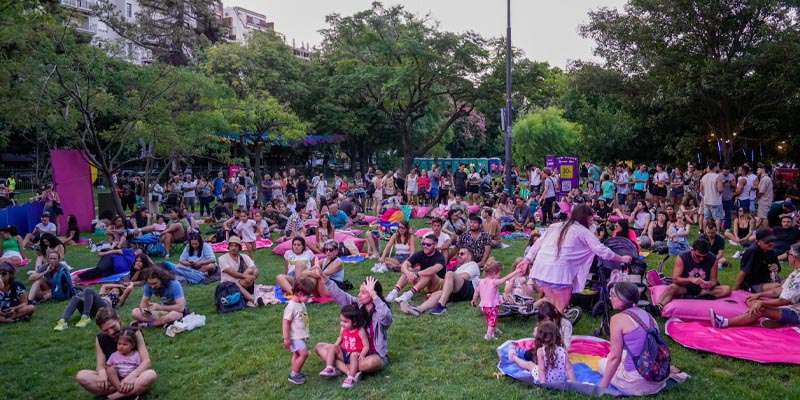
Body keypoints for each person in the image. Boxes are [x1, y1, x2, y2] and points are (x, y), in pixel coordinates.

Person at [519, 204, 633, 312]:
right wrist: (623, 259)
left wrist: (527, 259)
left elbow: (538, 243)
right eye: (590, 218)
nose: (592, 221)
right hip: (559, 272)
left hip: (542, 268)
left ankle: (547, 327)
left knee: (552, 302)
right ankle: (554, 329)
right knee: (560, 306)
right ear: (586, 217)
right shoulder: (582, 231)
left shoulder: (556, 226)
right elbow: (602, 251)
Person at [314, 271, 393, 376]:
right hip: (350, 352)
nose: (359, 295)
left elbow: (386, 317)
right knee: (319, 347)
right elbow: (340, 295)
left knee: (371, 363)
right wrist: (323, 276)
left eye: (364, 292)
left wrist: (373, 294)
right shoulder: (358, 306)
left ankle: (341, 367)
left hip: (372, 355)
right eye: (360, 291)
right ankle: (350, 370)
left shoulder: (380, 312)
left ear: (374, 294)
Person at [598, 282, 668, 395]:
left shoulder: (617, 319)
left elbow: (615, 358)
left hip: (634, 383)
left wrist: (601, 388)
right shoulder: (649, 316)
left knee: (602, 362)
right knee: (623, 355)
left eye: (613, 295)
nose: (610, 297)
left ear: (624, 298)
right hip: (658, 380)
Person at [711, 243, 800, 329]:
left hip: (795, 313)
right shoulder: (795, 272)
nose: (787, 255)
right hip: (789, 307)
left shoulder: (798, 278)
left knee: (760, 309)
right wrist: (759, 295)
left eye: (789, 253)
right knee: (752, 300)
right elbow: (779, 290)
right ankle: (779, 320)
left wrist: (761, 303)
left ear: (793, 258)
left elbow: (784, 301)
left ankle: (724, 322)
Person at [75, 308, 157, 398]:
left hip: (133, 375)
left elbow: (146, 361)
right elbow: (100, 365)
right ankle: (129, 392)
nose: (111, 332)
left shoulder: (134, 332)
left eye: (112, 327)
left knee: (150, 375)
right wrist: (102, 373)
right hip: (113, 377)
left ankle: (112, 397)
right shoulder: (100, 338)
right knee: (82, 376)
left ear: (118, 319)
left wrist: (131, 377)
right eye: (106, 330)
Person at [654, 239, 732, 311]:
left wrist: (709, 285)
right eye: (698, 256)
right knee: (671, 288)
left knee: (727, 289)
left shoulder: (712, 258)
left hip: (703, 290)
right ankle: (658, 306)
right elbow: (675, 279)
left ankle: (696, 297)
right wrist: (691, 280)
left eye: (703, 257)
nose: (701, 259)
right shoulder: (682, 257)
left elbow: (714, 280)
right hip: (685, 287)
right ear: (692, 250)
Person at [399, 247, 480, 316]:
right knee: (439, 294)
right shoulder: (458, 268)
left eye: (462, 254)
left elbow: (465, 277)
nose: (459, 256)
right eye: (458, 254)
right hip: (458, 292)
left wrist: (449, 279)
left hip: (469, 289)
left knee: (449, 274)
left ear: (469, 256)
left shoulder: (473, 264)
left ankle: (441, 305)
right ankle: (419, 309)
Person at [508, 321, 576, 384]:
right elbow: (569, 368)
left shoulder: (540, 351)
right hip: (561, 379)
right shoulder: (563, 350)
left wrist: (543, 383)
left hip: (547, 379)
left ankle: (513, 356)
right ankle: (513, 356)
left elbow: (541, 369)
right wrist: (574, 382)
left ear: (540, 337)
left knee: (529, 364)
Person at [384, 234, 446, 304]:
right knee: (408, 269)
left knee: (429, 273)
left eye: (428, 245)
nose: (425, 246)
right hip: (424, 283)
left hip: (438, 285)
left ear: (435, 245)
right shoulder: (420, 253)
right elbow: (405, 264)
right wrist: (408, 273)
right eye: (423, 244)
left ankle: (409, 295)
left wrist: (416, 274)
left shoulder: (439, 257)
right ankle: (394, 292)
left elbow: (434, 269)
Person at [320, 304, 370, 388]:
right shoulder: (343, 329)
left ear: (354, 322)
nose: (342, 323)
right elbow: (340, 338)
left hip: (355, 353)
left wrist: (362, 354)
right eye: (341, 320)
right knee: (332, 347)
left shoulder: (360, 330)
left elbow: (366, 345)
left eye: (345, 321)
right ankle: (329, 368)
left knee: (353, 354)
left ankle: (351, 377)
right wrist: (334, 348)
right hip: (344, 352)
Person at [471, 258, 520, 340]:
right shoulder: (494, 282)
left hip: (484, 306)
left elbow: (476, 291)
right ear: (493, 273)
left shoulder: (481, 281)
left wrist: (474, 300)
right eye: (498, 273)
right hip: (491, 306)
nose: (499, 276)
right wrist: (516, 272)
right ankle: (488, 335)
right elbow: (506, 278)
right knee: (492, 320)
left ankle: (494, 329)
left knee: (491, 318)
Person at [54, 282, 134, 331]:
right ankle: (63, 321)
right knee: (76, 298)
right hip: (91, 307)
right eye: (112, 289)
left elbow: (129, 289)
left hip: (104, 307)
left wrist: (125, 286)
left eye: (116, 291)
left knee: (89, 289)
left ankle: (85, 317)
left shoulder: (118, 300)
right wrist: (118, 285)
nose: (113, 290)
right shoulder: (102, 294)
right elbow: (104, 286)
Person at [283, 277, 315, 385]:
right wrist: (286, 338)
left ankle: (296, 372)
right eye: (308, 295)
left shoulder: (300, 303)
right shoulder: (291, 306)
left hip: (300, 335)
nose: (310, 298)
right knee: (304, 353)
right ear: (300, 293)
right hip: (294, 337)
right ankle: (293, 374)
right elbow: (285, 323)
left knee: (296, 354)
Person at [217, 236, 259, 307]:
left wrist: (253, 276)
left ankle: (250, 298)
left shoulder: (244, 257)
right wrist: (247, 277)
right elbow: (231, 272)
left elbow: (255, 269)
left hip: (243, 282)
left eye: (236, 246)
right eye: (231, 246)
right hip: (228, 285)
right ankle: (252, 299)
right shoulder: (222, 258)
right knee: (237, 284)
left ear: (239, 247)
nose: (233, 248)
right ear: (229, 247)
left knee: (250, 270)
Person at [699, 161, 724, 230]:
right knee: (717, 218)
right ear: (715, 167)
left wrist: (705, 194)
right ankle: (718, 232)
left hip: (706, 200)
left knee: (706, 217)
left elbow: (701, 188)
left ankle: (704, 232)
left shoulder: (704, 177)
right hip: (715, 201)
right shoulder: (717, 177)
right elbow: (720, 189)